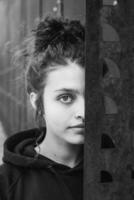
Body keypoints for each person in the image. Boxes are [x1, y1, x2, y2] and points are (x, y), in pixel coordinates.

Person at [0, 16, 85, 200]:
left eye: (92, 97)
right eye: (65, 97)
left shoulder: (119, 168)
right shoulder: (7, 184)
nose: (84, 113)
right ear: (36, 100)